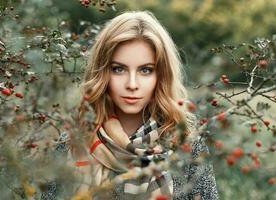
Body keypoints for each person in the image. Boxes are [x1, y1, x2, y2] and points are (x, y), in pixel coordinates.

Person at [42, 10, 219, 200]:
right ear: (102, 73)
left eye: (145, 70)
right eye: (118, 69)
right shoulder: (72, 143)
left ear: (161, 75)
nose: (132, 84)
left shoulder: (186, 146)